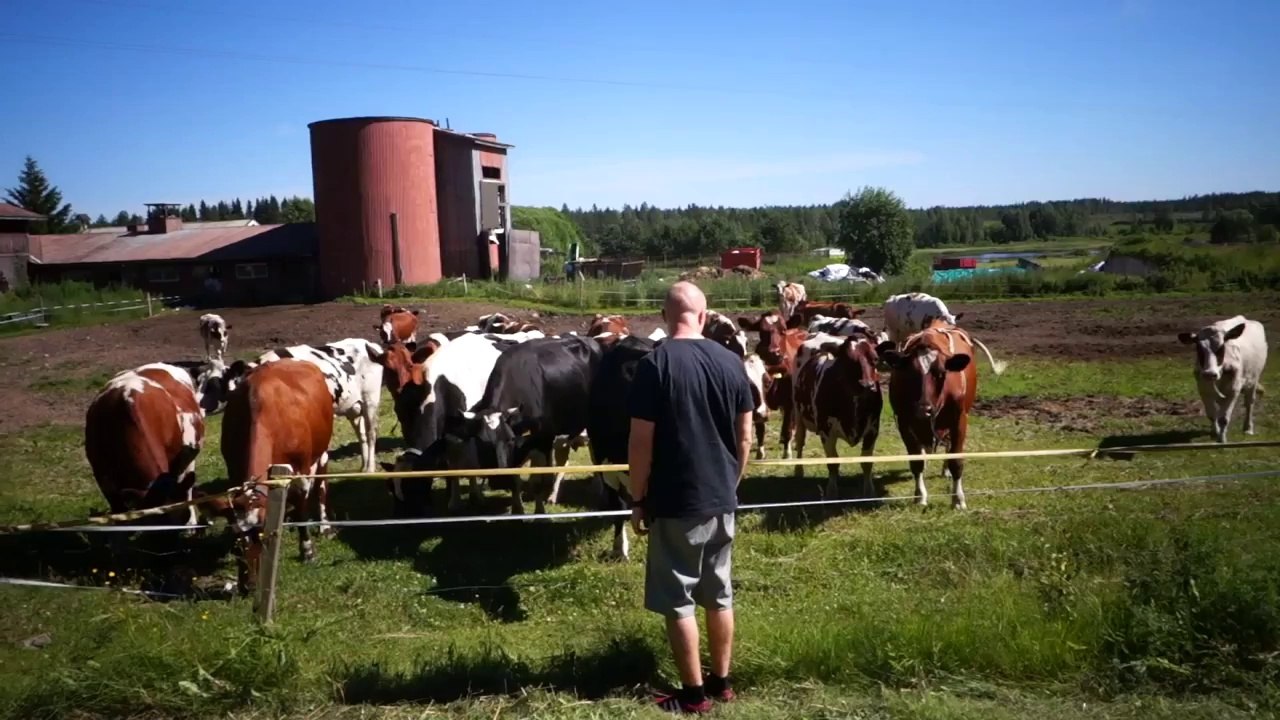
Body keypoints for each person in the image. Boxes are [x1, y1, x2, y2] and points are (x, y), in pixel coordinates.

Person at [627, 281, 755, 714]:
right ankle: (722, 683)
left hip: (676, 502)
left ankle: (693, 696)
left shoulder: (654, 364)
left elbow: (640, 443)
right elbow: (746, 437)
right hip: (722, 497)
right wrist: (730, 484)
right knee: (720, 594)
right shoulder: (732, 362)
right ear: (703, 315)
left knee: (678, 598)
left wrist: (637, 497)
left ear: (666, 317)